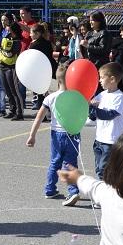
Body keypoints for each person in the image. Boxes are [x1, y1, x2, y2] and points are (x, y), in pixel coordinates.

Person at [26, 61, 80, 206]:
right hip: (72, 134)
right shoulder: (75, 96)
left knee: (55, 161)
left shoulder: (51, 98)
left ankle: (49, 189)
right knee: (70, 163)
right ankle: (73, 191)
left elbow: (39, 116)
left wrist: (32, 135)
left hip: (56, 134)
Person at [90, 62, 123, 178]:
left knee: (103, 170)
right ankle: (107, 190)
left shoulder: (119, 97)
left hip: (111, 141)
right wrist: (89, 107)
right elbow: (93, 116)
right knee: (99, 169)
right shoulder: (102, 95)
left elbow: (109, 115)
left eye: (102, 77)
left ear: (112, 79)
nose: (100, 80)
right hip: (99, 139)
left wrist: (92, 107)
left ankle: (104, 193)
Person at [0, 22, 24, 120]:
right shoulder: (7, 39)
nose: (7, 32)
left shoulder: (17, 41)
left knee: (14, 90)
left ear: (13, 30)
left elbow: (10, 54)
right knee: (7, 90)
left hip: (11, 67)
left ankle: (19, 112)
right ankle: (12, 110)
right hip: (2, 66)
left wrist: (1, 48)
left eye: (9, 30)